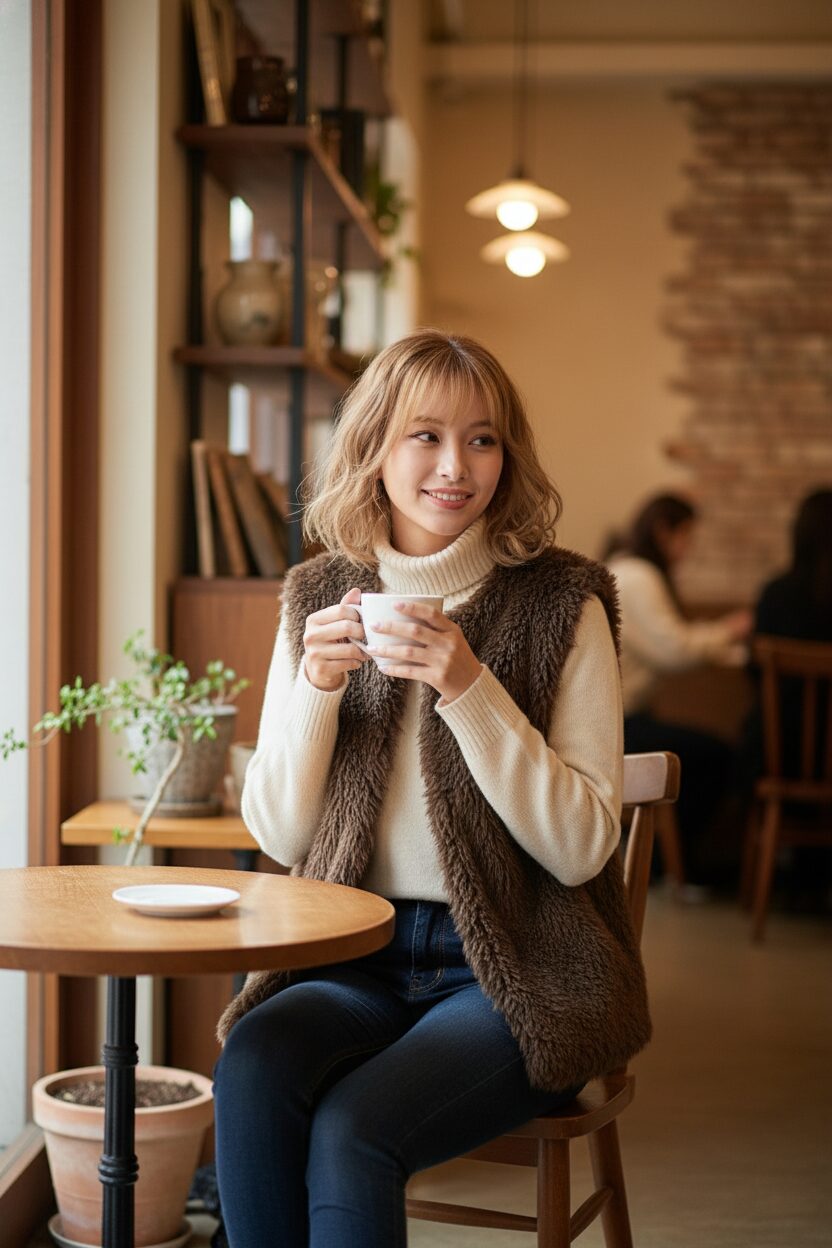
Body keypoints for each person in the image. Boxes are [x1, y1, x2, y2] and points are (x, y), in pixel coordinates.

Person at [212, 329, 651, 1248]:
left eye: (483, 439)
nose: (457, 465)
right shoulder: (317, 595)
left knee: (355, 1129)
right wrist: (317, 695)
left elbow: (581, 847)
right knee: (254, 1061)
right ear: (373, 446)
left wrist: (468, 687)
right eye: (426, 435)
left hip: (516, 968)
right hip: (353, 953)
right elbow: (282, 832)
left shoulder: (563, 603)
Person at [607, 493, 752, 888]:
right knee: (717, 755)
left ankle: (665, 862)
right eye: (687, 535)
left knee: (703, 751)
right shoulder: (637, 575)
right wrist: (730, 630)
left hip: (622, 718)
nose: (688, 549)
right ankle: (670, 864)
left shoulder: (627, 569)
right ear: (663, 530)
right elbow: (673, 649)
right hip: (616, 724)